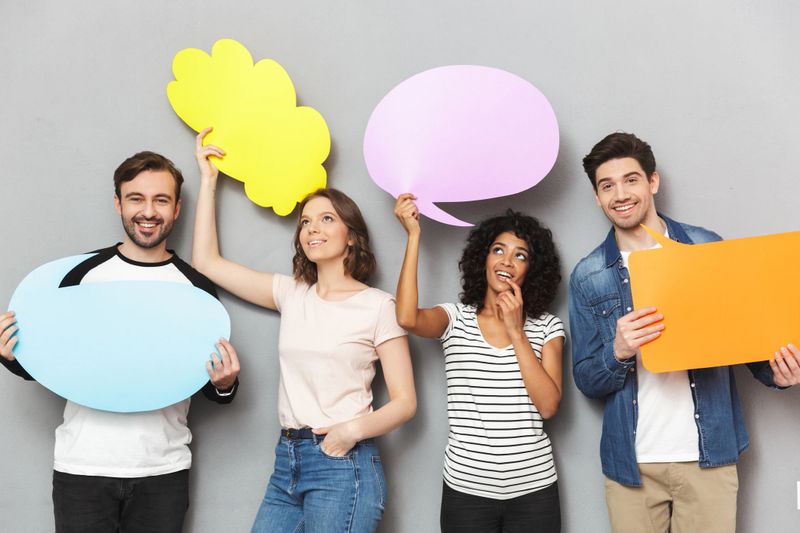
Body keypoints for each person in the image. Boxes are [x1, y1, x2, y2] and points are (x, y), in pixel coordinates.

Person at [569, 132, 800, 533]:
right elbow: (586, 379)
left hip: (709, 455)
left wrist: (778, 373)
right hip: (632, 466)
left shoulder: (704, 247)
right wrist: (618, 351)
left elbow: (743, 336)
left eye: (631, 179)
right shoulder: (588, 276)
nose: (620, 194)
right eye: (607, 185)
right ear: (597, 197)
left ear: (652, 182)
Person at [0, 150, 240, 533]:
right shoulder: (78, 276)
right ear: (118, 203)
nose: (148, 211)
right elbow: (53, 361)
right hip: (82, 467)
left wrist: (225, 385)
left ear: (176, 209)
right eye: (136, 198)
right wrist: (11, 355)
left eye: (161, 200)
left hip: (163, 470)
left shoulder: (196, 287)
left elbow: (207, 380)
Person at [191, 128, 416, 533]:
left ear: (351, 237)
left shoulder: (378, 306)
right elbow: (206, 262)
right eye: (306, 221)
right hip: (287, 457)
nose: (312, 228)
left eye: (327, 219)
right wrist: (208, 180)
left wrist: (350, 431)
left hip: (343, 465)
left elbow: (404, 402)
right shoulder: (291, 293)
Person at [394, 194, 564, 533]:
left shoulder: (547, 326)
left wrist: (518, 333)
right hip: (466, 491)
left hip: (534, 491)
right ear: (483, 258)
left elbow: (548, 406)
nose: (507, 262)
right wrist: (413, 236)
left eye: (521, 255)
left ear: (532, 269)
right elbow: (406, 317)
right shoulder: (455, 318)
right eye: (498, 250)